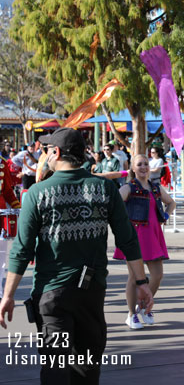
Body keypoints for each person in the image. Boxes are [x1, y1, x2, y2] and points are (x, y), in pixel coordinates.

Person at [0, 128, 153, 384]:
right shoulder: (105, 189)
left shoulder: (38, 193)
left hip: (51, 297)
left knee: (55, 369)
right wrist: (141, 282)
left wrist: (8, 296)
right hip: (91, 295)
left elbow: (22, 249)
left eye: (48, 150)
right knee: (86, 369)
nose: (46, 154)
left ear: (56, 153)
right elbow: (127, 239)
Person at [114, 154, 175, 329]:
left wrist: (166, 214)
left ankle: (143, 307)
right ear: (133, 168)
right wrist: (122, 223)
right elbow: (115, 203)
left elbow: (171, 203)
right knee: (134, 277)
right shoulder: (129, 187)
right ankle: (131, 314)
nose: (143, 167)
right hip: (135, 236)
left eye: (146, 164)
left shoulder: (156, 188)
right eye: (139, 164)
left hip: (153, 236)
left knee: (157, 275)